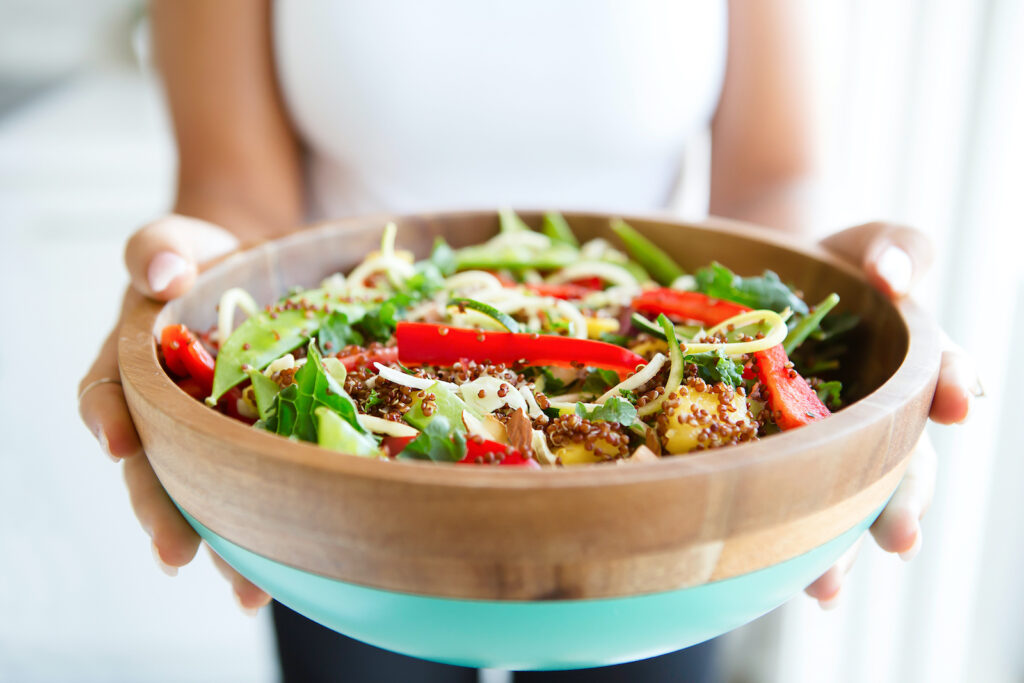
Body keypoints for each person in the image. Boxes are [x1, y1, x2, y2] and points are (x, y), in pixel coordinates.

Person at [78, 1, 980, 681]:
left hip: (664, 512)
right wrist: (191, 287)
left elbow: (775, 177)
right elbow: (239, 198)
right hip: (343, 494)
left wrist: (839, 331)